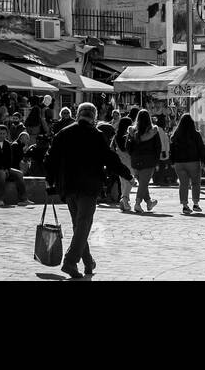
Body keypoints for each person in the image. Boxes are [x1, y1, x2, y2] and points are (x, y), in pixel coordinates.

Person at [45, 102, 132, 280]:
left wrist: (50, 181)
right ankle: (70, 261)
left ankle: (88, 263)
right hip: (89, 186)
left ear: (78, 115)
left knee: (79, 225)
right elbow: (110, 158)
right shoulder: (96, 134)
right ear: (93, 116)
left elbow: (50, 158)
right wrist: (128, 175)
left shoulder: (63, 133)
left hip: (68, 186)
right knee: (83, 224)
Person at [169, 113, 205, 214]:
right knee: (195, 183)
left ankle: (185, 205)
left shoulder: (175, 135)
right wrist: (204, 161)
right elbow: (201, 148)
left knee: (183, 184)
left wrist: (172, 161)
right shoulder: (196, 134)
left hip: (179, 163)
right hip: (193, 161)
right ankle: (196, 204)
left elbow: (171, 150)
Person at [126, 110, 161, 213]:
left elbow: (127, 147)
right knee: (144, 183)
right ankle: (137, 203)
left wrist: (133, 154)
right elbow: (157, 147)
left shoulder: (132, 131)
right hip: (149, 160)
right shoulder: (153, 131)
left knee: (142, 183)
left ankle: (149, 202)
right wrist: (157, 160)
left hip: (135, 160)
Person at [0, 124, 27, 207]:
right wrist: (2, 169)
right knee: (2, 174)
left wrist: (7, 168)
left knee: (19, 174)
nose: (2, 135)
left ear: (6, 134)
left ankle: (23, 199)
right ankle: (0, 199)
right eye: (0, 133)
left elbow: (9, 159)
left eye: (4, 134)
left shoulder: (7, 144)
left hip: (4, 168)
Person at [112, 117, 134, 212]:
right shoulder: (128, 135)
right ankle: (124, 199)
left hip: (118, 160)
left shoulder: (116, 136)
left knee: (123, 182)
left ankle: (125, 202)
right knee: (130, 180)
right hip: (128, 160)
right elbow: (128, 148)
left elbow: (112, 147)